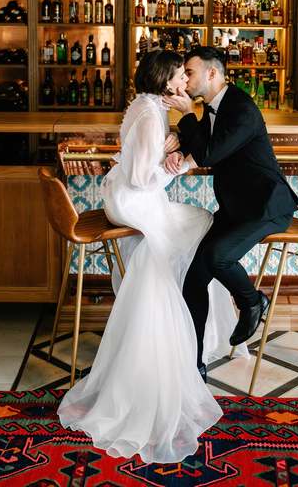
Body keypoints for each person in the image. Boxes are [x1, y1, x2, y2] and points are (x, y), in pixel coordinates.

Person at [58, 49, 248, 465]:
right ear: (165, 80)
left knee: (195, 226)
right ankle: (174, 340)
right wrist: (176, 165)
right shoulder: (149, 114)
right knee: (188, 233)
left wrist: (168, 150)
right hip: (133, 201)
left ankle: (191, 331)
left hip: (124, 195)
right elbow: (144, 178)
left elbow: (135, 160)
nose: (186, 81)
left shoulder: (146, 105)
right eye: (181, 75)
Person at [163, 46, 298, 377]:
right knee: (194, 278)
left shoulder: (241, 109)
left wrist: (185, 115)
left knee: (218, 258)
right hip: (237, 207)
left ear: (211, 73)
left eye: (190, 72)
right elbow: (203, 143)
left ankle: (253, 301)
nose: (185, 80)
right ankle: (194, 364)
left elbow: (209, 154)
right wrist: (178, 145)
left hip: (267, 207)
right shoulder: (215, 107)